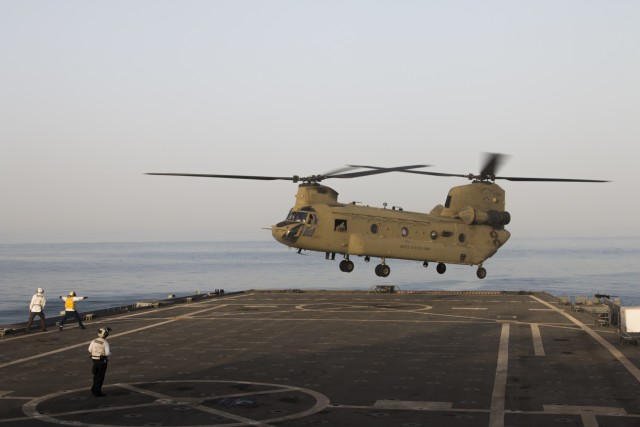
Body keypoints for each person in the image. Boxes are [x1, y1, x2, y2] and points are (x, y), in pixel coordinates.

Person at [88, 327, 112, 397]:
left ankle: (93, 389)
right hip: (102, 361)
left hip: (94, 360)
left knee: (96, 375)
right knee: (100, 376)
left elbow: (89, 349)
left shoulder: (94, 340)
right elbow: (107, 353)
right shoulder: (105, 342)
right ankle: (97, 392)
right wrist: (110, 353)